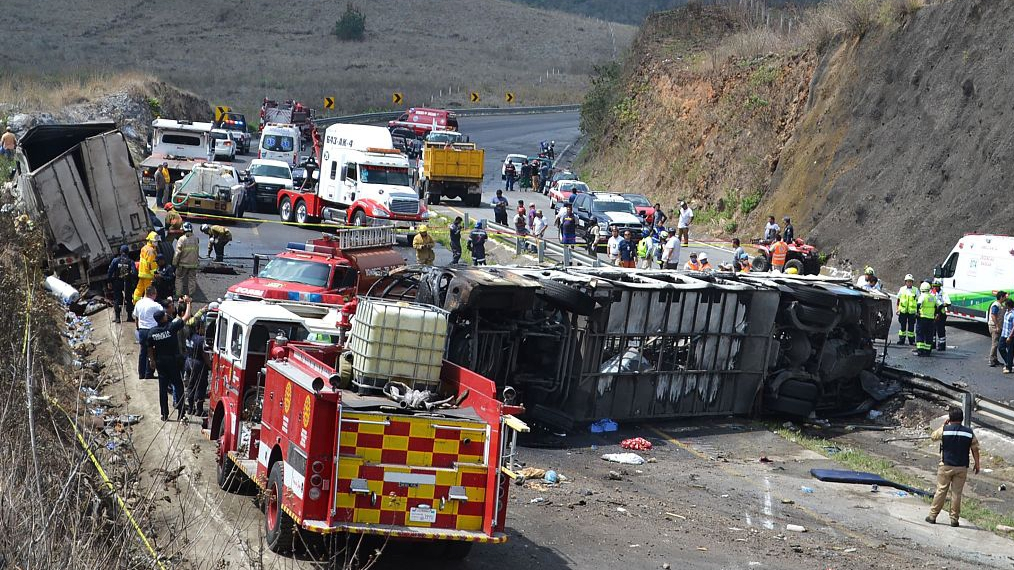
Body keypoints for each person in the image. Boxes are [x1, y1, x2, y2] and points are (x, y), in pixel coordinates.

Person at [925, 408, 980, 527]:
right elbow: (975, 448)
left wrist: (942, 426)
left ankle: (932, 516)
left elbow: (933, 437)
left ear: (949, 419)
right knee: (956, 494)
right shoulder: (969, 432)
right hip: (961, 467)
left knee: (941, 491)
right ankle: (954, 519)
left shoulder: (945, 430)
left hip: (946, 465)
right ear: (962, 419)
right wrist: (977, 463)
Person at [148, 297, 193, 422]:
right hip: (173, 362)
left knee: (163, 389)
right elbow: (187, 316)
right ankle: (181, 413)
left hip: (160, 363)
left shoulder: (152, 332)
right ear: (163, 318)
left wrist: (152, 361)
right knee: (178, 387)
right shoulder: (171, 327)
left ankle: (164, 414)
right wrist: (188, 303)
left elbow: (149, 347)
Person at [183, 319, 212, 417]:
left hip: (188, 362)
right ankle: (199, 409)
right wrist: (210, 366)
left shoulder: (188, 337)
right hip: (198, 364)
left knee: (191, 384)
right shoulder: (200, 339)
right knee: (201, 385)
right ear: (198, 328)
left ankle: (191, 408)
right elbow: (205, 355)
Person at [132, 286, 161, 380]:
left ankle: (141, 373)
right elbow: (163, 315)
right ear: (152, 294)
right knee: (152, 351)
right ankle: (149, 372)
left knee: (143, 352)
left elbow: (136, 318)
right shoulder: (155, 305)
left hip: (142, 330)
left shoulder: (139, 303)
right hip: (152, 330)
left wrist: (138, 328)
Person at [106, 245, 136, 323]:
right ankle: (129, 317)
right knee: (129, 299)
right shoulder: (131, 261)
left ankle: (118, 318)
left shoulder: (115, 260)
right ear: (128, 252)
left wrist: (109, 281)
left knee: (117, 299)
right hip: (127, 283)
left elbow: (110, 272)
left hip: (117, 283)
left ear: (120, 252)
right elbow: (135, 273)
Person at [173, 222, 200, 298]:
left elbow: (177, 253)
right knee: (192, 279)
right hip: (193, 264)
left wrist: (174, 263)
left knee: (179, 278)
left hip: (182, 264)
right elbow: (197, 252)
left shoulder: (182, 239)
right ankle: (191, 295)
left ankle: (178, 295)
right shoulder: (196, 239)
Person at [133, 231, 159, 304]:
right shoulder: (151, 251)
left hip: (142, 273)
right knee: (148, 290)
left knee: (139, 288)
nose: (156, 242)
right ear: (150, 241)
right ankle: (145, 305)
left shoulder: (144, 248)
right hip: (148, 275)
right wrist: (155, 274)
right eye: (155, 241)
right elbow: (151, 264)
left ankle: (135, 302)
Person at [916, 282, 938, 357]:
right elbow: (939, 305)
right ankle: (928, 351)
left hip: (922, 318)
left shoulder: (922, 296)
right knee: (929, 335)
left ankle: (920, 350)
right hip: (931, 319)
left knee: (920, 334)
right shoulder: (933, 297)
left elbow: (918, 304)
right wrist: (936, 313)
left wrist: (917, 312)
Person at [896, 274, 919, 346]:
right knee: (902, 326)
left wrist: (918, 311)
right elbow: (898, 299)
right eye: (908, 281)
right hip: (903, 311)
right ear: (905, 282)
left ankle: (911, 340)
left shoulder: (915, 290)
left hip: (912, 312)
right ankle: (901, 339)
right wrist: (897, 309)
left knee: (911, 327)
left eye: (911, 281)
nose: (909, 283)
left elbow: (918, 301)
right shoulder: (902, 289)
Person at [988, 291, 1009, 367]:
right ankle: (991, 360)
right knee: (995, 344)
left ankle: (995, 359)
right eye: (1004, 297)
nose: (1005, 298)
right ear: (1001, 297)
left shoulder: (1000, 305)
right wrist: (997, 326)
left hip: (998, 326)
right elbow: (993, 315)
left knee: (996, 344)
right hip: (994, 326)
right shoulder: (996, 305)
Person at [933, 278, 951, 351]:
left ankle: (942, 345)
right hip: (933, 313)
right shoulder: (932, 293)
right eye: (934, 286)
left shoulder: (943, 293)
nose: (935, 288)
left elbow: (948, 303)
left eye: (936, 286)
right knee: (932, 329)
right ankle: (932, 344)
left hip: (941, 314)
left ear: (939, 286)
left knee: (940, 330)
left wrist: (942, 305)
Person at [1000, 299, 1014, 373]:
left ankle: (1009, 368)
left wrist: (1010, 336)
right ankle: (1009, 363)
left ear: (1008, 305)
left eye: (1006, 305)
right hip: (1003, 334)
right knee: (1001, 348)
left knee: (1010, 352)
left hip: (1010, 336)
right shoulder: (1006, 311)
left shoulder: (1013, 314)